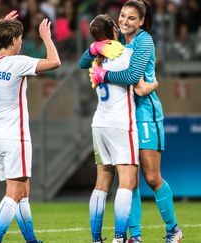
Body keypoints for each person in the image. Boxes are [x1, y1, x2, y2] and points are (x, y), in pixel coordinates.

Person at [89, 1, 183, 242]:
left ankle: (173, 229)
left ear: (141, 21)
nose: (124, 22)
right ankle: (136, 236)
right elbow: (86, 60)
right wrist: (94, 47)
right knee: (128, 179)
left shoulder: (144, 40)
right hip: (125, 117)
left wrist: (105, 75)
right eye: (122, 16)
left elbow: (138, 84)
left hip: (145, 114)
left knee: (151, 177)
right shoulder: (118, 40)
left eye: (132, 18)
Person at [0, 10, 61, 243]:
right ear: (14, 40)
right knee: (13, 193)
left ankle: (31, 240)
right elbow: (55, 62)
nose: (22, 41)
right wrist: (46, 38)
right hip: (16, 137)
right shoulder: (17, 63)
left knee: (23, 189)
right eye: (20, 38)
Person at [78, 14, 157, 243]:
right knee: (128, 181)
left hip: (99, 123)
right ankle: (120, 237)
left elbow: (82, 63)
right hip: (121, 124)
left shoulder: (97, 58)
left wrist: (94, 47)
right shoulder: (126, 53)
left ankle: (96, 239)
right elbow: (135, 78)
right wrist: (155, 84)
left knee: (102, 182)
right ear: (114, 28)